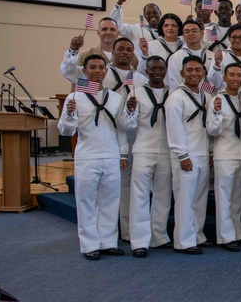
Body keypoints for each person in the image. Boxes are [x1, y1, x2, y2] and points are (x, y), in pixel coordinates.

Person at [58, 55, 137, 259]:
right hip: (87, 156)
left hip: (111, 155)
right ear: (84, 71)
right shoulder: (75, 98)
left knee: (110, 201)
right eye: (92, 67)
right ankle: (89, 244)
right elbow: (66, 131)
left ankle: (108, 241)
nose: (97, 71)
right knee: (86, 201)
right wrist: (68, 113)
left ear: (106, 71)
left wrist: (130, 113)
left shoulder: (115, 98)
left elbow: (123, 128)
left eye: (101, 67)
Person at [165, 55, 211, 254]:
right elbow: (174, 129)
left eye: (198, 70)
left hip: (202, 152)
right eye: (189, 70)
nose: (194, 74)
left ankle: (197, 235)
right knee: (185, 199)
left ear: (203, 72)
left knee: (199, 199)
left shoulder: (205, 95)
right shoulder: (176, 98)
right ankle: (183, 241)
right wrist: (182, 155)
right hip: (186, 155)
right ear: (182, 73)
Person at [128, 56, 172, 257]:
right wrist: (129, 111)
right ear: (146, 71)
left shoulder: (173, 94)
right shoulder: (136, 93)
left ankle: (158, 236)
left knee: (163, 196)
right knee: (140, 196)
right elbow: (128, 125)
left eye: (160, 69)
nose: (156, 72)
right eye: (152, 69)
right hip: (144, 149)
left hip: (166, 150)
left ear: (165, 70)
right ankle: (139, 241)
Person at [206, 63, 241, 252]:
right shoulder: (217, 98)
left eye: (239, 75)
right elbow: (212, 130)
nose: (236, 79)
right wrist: (215, 112)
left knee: (237, 197)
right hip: (224, 153)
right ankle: (225, 236)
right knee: (224, 197)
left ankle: (237, 233)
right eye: (232, 75)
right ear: (224, 77)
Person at [166, 19, 224, 91]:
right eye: (187, 32)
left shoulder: (212, 56)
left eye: (194, 31)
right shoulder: (175, 58)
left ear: (202, 33)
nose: (191, 34)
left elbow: (216, 84)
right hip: (185, 98)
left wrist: (217, 66)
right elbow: (175, 84)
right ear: (183, 36)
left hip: (208, 98)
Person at [223, 24, 241, 91]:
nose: (237, 40)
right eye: (234, 37)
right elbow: (212, 80)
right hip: (229, 95)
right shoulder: (222, 56)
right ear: (229, 38)